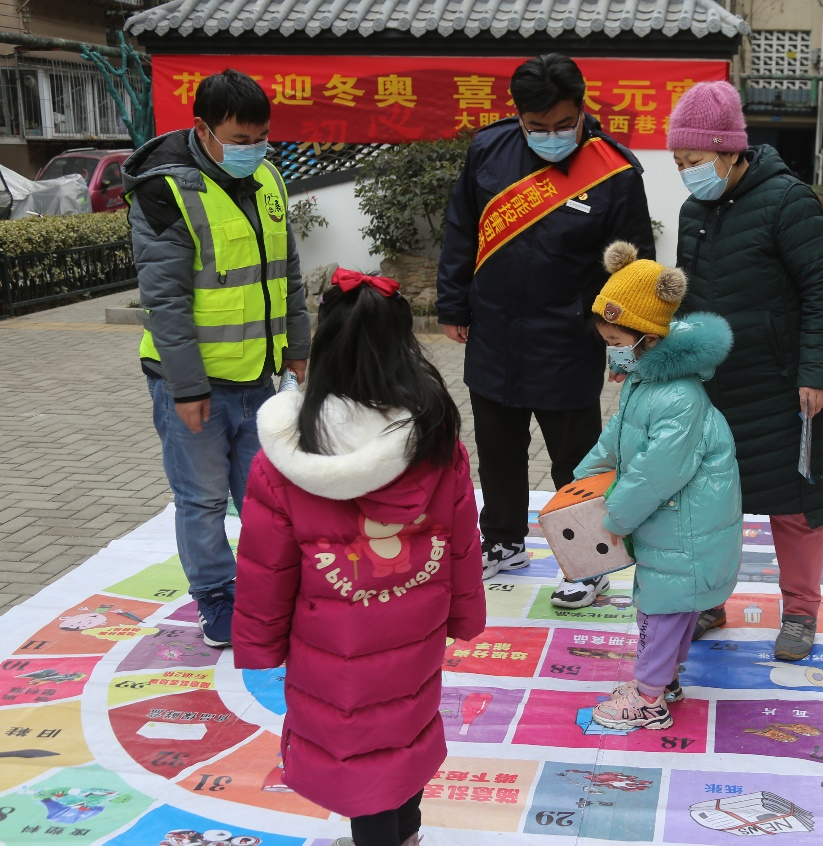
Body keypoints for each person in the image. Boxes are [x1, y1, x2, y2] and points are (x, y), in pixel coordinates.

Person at [232, 269, 485, 846]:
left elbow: (267, 568)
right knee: (405, 733)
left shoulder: (285, 455)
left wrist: (260, 644)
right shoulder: (435, 437)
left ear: (324, 343)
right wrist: (465, 615)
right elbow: (461, 542)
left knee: (357, 755)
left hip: (330, 646)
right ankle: (408, 835)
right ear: (404, 346)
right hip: (415, 632)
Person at [436, 53, 656, 610]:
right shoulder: (488, 150)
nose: (551, 136)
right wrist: (453, 304)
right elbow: (461, 230)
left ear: (581, 110)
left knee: (577, 462)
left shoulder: (613, 171)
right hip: (495, 332)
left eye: (563, 125)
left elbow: (633, 269)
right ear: (519, 115)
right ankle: (503, 542)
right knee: (498, 450)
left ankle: (589, 564)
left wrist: (626, 345)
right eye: (537, 127)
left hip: (568, 338)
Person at [123, 69, 311, 649]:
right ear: (203, 130)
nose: (253, 150)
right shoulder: (164, 192)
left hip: (259, 377)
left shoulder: (268, 178)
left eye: (261, 138)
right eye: (240, 139)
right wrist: (186, 388)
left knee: (263, 496)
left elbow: (287, 272)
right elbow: (165, 301)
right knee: (203, 498)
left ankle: (268, 586)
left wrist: (297, 348)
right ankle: (215, 595)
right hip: (195, 385)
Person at [667, 81, 823, 662]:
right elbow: (688, 298)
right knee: (712, 503)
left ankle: (800, 613)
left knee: (794, 505)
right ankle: (711, 600)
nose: (685, 172)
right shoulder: (693, 210)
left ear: (727, 151)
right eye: (678, 162)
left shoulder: (789, 201)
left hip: (783, 383)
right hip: (716, 383)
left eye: (693, 160)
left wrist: (815, 371)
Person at [574, 241, 741, 730]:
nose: (611, 349)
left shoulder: (678, 395)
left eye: (615, 339)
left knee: (661, 608)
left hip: (685, 522)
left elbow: (657, 471)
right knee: (673, 604)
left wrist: (615, 517)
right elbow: (617, 436)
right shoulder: (645, 381)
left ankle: (649, 697)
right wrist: (582, 479)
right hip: (672, 518)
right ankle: (664, 679)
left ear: (646, 337)